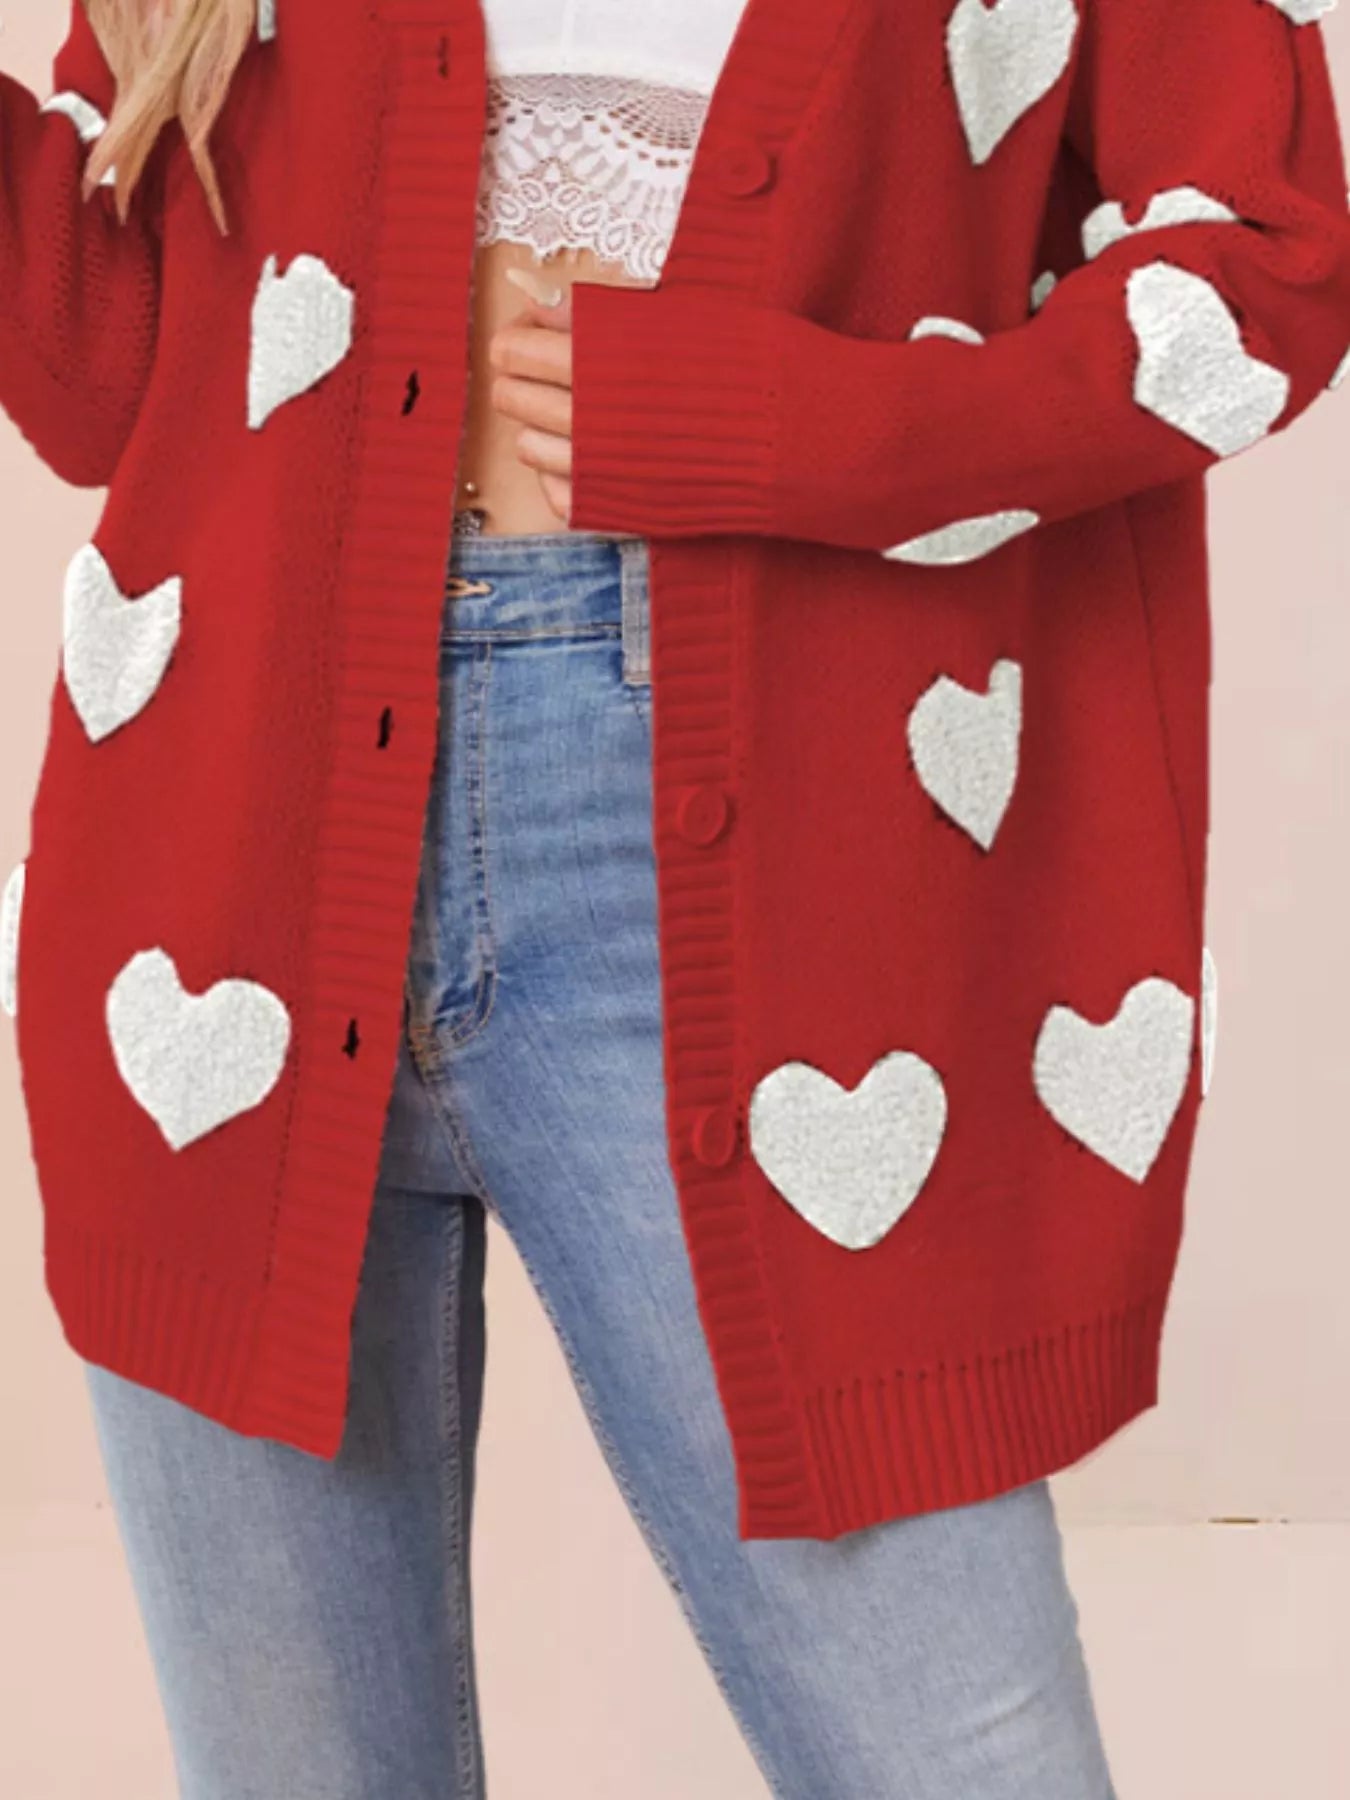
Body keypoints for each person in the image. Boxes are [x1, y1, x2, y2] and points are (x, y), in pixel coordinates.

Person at [3, 0, 1348, 1794]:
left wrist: (816, 426)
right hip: (224, 859)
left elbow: (1263, 275)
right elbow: (105, 384)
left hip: (758, 834)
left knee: (962, 1754)